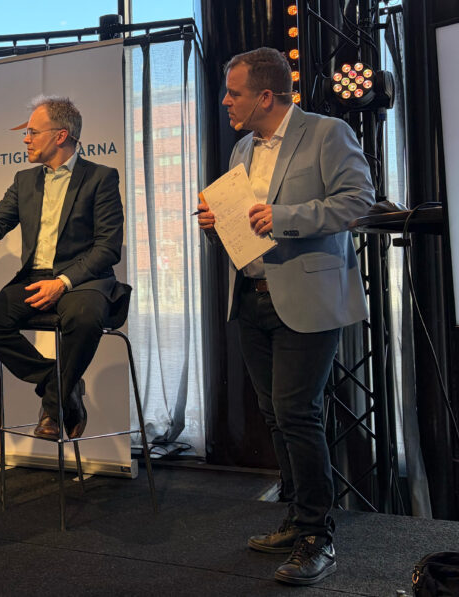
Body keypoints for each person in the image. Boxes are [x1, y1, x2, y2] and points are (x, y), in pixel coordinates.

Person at [196, 47, 374, 586]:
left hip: (308, 294)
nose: (225, 101)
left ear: (266, 96)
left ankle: (318, 536)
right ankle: (297, 519)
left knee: (297, 413)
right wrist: (217, 224)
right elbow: (245, 225)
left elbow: (358, 201)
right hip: (252, 295)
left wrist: (284, 217)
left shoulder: (327, 133)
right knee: (275, 414)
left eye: (234, 93)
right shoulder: (241, 148)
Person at [0, 95, 124, 441]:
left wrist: (63, 282)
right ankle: (61, 384)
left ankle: (53, 407)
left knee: (85, 317)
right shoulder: (25, 180)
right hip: (35, 277)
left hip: (83, 279)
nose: (26, 139)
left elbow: (108, 247)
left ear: (60, 136)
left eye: (33, 132)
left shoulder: (100, 178)